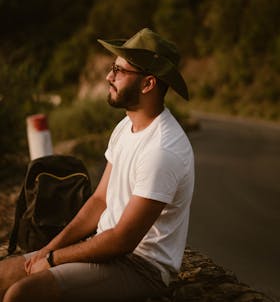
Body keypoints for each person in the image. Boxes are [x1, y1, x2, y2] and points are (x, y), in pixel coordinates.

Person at [0, 28, 194, 302]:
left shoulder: (163, 150)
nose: (108, 76)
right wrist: (47, 251)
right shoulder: (126, 126)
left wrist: (53, 260)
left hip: (141, 267)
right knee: (2, 276)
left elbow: (123, 240)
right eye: (111, 68)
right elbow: (99, 200)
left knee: (23, 294)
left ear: (148, 84)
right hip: (106, 249)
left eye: (119, 70)